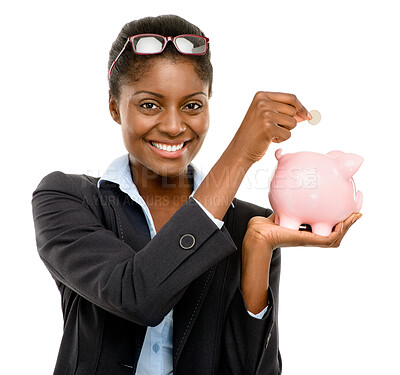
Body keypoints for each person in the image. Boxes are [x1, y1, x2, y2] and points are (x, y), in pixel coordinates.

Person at [31, 14, 362, 375]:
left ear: (208, 104)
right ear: (115, 107)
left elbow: (253, 370)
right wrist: (241, 153)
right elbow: (136, 296)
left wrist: (256, 250)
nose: (174, 126)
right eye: (149, 105)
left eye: (192, 105)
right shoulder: (68, 198)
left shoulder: (246, 223)